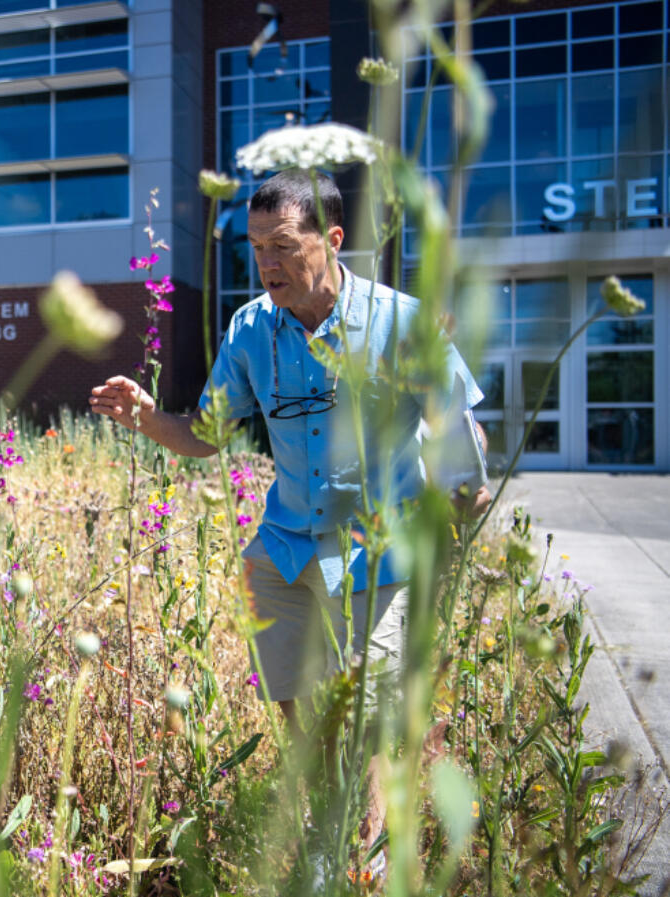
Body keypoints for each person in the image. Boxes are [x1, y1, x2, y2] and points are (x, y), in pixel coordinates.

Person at [88, 168, 489, 866]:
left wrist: (456, 515)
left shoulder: (399, 322)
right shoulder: (250, 329)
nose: (267, 264)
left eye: (282, 245)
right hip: (284, 551)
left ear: (332, 240)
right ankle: (333, 831)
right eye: (256, 248)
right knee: (307, 716)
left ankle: (368, 860)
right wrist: (149, 418)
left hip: (377, 550)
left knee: (364, 716)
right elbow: (205, 436)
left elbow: (462, 436)